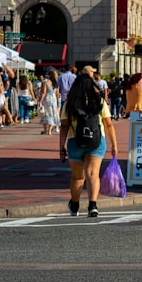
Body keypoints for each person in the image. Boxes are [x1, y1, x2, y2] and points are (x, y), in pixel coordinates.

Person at [58, 73, 118, 218]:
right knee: (92, 174)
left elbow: (64, 126)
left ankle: (75, 204)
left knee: (77, 176)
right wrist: (114, 145)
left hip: (75, 141)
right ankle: (92, 205)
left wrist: (61, 146)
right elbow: (108, 124)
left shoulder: (69, 103)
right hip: (96, 141)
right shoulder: (99, 101)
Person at [38, 71, 60, 135]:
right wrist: (57, 101)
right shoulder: (56, 83)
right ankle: (49, 131)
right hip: (54, 100)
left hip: (47, 99)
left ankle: (45, 130)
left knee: (46, 114)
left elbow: (43, 93)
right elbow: (57, 94)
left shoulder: (46, 82)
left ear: (49, 76)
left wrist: (40, 101)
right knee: (53, 114)